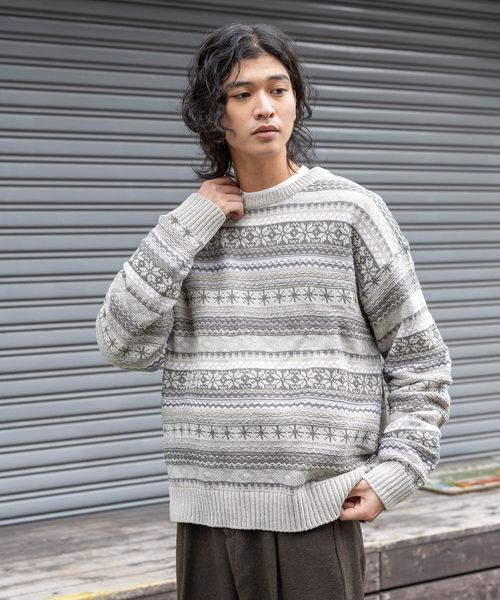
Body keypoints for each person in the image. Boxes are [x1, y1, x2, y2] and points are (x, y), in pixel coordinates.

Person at [95, 22, 453, 600]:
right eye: (242, 94)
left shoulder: (351, 212)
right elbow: (121, 344)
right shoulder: (192, 229)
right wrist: (188, 224)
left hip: (318, 514)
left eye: (278, 89)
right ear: (214, 116)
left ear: (294, 101)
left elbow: (420, 359)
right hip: (207, 517)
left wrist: (399, 470)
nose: (265, 107)